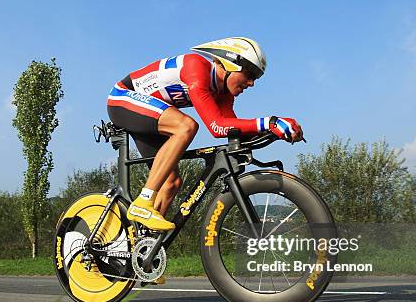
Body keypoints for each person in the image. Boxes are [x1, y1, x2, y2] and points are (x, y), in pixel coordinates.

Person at [107, 37, 303, 232]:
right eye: (249, 74)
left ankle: (143, 246)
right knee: (186, 126)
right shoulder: (197, 68)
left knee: (171, 183)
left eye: (256, 78)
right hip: (121, 99)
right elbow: (216, 127)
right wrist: (269, 122)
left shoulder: (223, 93)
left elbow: (232, 129)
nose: (251, 83)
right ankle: (143, 202)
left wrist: (274, 131)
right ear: (229, 64)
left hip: (152, 115)